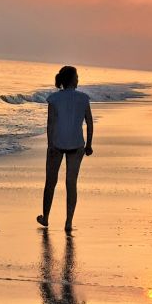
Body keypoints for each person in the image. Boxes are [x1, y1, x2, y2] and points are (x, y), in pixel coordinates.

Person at [37, 66, 93, 233]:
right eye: (77, 76)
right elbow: (89, 122)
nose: (78, 79)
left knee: (50, 182)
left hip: (57, 143)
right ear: (72, 79)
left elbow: (51, 124)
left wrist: (50, 145)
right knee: (71, 183)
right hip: (76, 144)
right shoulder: (83, 98)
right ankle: (68, 222)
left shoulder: (53, 98)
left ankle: (46, 217)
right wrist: (89, 144)